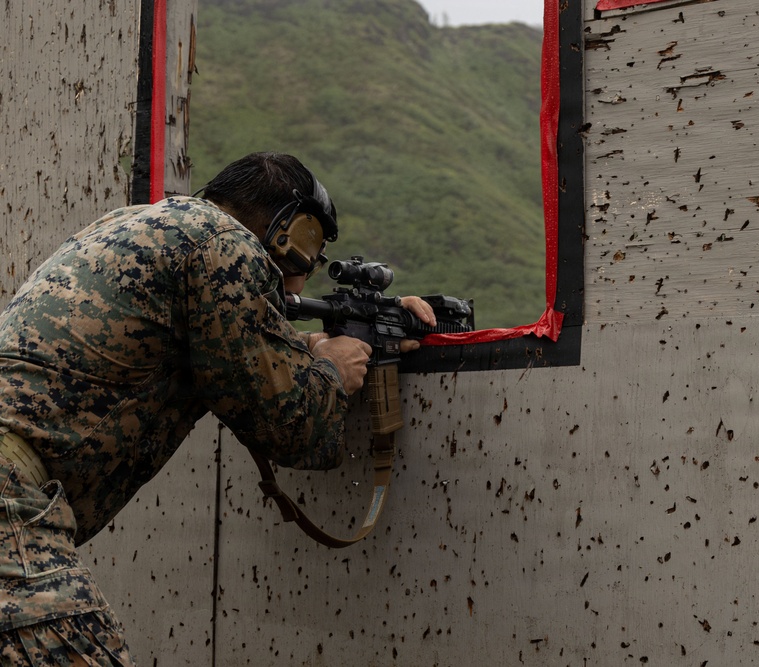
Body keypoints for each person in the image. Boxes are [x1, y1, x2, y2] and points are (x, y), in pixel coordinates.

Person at [0, 152, 434, 664]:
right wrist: (334, 374)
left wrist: (327, 344)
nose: (304, 275)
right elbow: (293, 428)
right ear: (288, 229)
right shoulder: (226, 245)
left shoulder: (148, 223)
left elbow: (221, 344)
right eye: (311, 248)